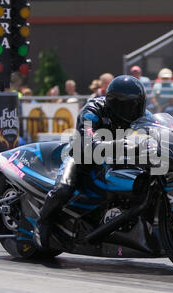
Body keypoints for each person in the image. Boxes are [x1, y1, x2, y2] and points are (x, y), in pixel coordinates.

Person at [33, 75, 147, 249]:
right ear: (117, 104)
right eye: (130, 106)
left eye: (138, 105)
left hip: (118, 158)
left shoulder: (141, 115)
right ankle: (42, 223)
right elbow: (87, 141)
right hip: (82, 157)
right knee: (63, 189)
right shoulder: (93, 110)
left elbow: (156, 129)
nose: (135, 110)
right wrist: (117, 144)